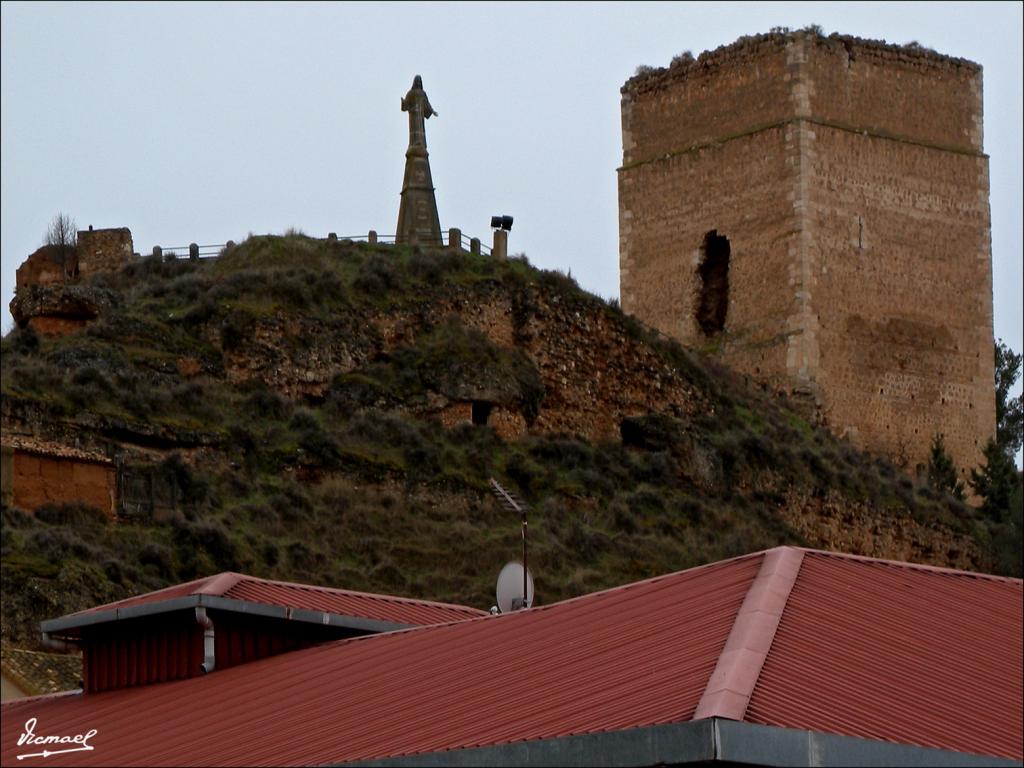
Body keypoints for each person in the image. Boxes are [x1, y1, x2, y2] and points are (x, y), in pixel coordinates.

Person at [401, 75, 437, 149]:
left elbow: (427, 104)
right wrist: (403, 102)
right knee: (414, 129)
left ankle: (421, 143)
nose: (418, 83)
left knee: (420, 129)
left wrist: (432, 111)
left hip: (420, 115)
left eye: (419, 81)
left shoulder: (422, 93)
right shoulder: (410, 93)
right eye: (417, 81)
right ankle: (413, 144)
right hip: (413, 115)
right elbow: (406, 105)